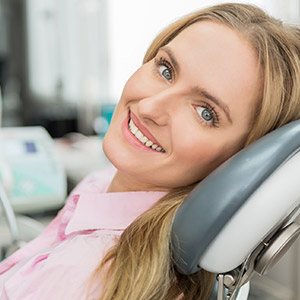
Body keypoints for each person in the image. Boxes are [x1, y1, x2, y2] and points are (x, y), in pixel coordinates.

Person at [1, 2, 300, 299]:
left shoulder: (84, 275)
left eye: (205, 113)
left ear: (240, 162)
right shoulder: (103, 185)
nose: (148, 107)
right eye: (166, 70)